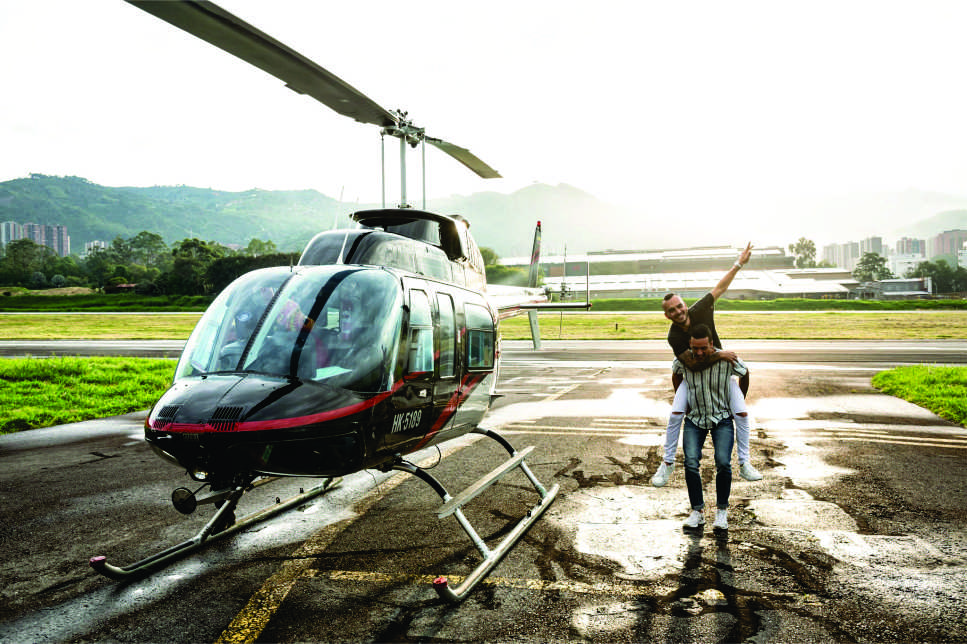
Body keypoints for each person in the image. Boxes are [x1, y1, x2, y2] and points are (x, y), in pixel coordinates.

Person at [651, 242, 762, 486]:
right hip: (694, 377)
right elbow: (691, 365)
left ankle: (745, 463)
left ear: (684, 305)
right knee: (676, 414)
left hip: (720, 375)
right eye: (672, 310)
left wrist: (739, 264)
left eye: (679, 306)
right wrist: (719, 355)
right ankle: (667, 464)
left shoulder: (699, 309)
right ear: (667, 315)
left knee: (742, 413)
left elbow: (720, 287)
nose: (678, 311)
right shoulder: (674, 336)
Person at [674, 324, 749, 532]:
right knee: (690, 462)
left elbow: (745, 372)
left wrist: (739, 401)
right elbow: (676, 373)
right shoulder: (684, 359)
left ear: (712, 344)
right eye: (695, 348)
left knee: (723, 462)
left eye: (703, 348)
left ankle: (721, 511)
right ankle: (697, 511)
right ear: (690, 345)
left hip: (721, 418)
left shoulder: (727, 359)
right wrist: (682, 401)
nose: (698, 353)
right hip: (695, 419)